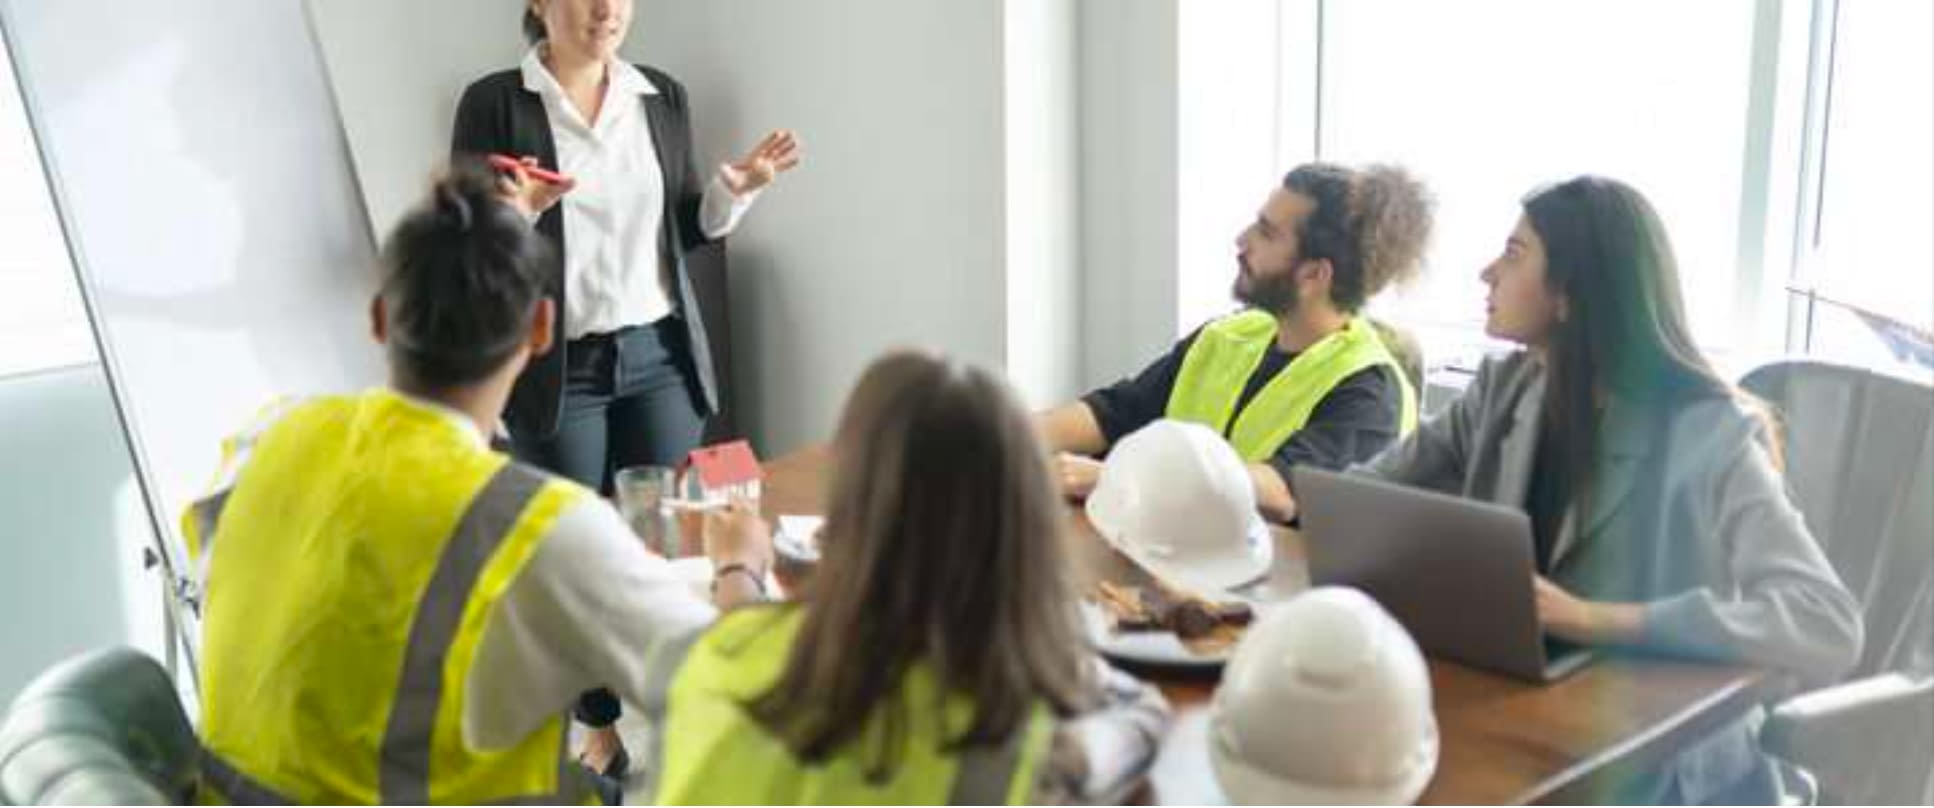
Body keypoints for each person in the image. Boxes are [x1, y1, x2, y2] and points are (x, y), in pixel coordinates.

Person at [182, 166, 771, 805]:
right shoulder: (535, 523)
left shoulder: (268, 436)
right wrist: (740, 563)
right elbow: (734, 689)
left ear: (379, 318)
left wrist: (501, 231)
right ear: (542, 331)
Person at [1351, 176, 1863, 802]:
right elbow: (1363, 495)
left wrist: (1599, 619)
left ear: (1571, 294)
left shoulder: (1710, 433)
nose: (1488, 273)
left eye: (1513, 255)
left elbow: (1826, 619)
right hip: (1529, 713)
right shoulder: (1502, 390)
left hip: (1666, 762)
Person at [451, 0, 801, 772]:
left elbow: (685, 228)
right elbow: (468, 249)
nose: (607, 9)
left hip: (660, 359)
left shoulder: (661, 96)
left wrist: (735, 189)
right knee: (575, 558)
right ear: (540, 3)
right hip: (560, 369)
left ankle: (686, 709)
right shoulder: (495, 103)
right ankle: (598, 723)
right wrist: (510, 217)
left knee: (665, 548)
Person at [631, 351, 1172, 805]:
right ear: (1022, 527)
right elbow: (1143, 719)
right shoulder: (1024, 755)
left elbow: (740, 641)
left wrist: (738, 569)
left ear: (844, 508)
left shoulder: (693, 661)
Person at [1039, 163, 1434, 522]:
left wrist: (1120, 478)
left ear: (1314, 274)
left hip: (1274, 590)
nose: (1242, 240)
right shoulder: (1229, 336)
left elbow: (1280, 491)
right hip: (1182, 564)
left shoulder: (1370, 393)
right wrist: (1003, 435)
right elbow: (1115, 413)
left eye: (1266, 233)